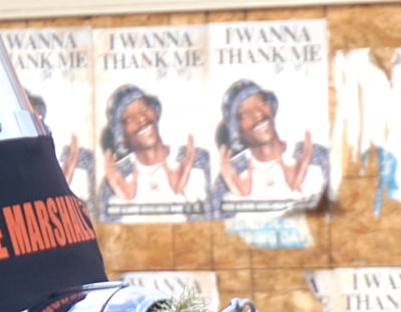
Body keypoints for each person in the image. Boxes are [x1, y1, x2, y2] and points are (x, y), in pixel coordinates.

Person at [212, 78, 328, 214]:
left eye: (261, 103)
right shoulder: (230, 177)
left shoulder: (316, 156)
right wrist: (242, 200)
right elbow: (215, 230)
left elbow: (343, 218)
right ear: (236, 133)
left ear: (271, 109)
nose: (257, 114)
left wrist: (298, 191)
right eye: (244, 114)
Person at [98, 84, 209, 221]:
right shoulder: (115, 181)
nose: (141, 118)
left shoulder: (196, 160)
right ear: (122, 137)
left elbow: (214, 234)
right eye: (129, 118)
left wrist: (183, 194)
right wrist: (125, 204)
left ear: (155, 113)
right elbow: (105, 237)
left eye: (144, 108)